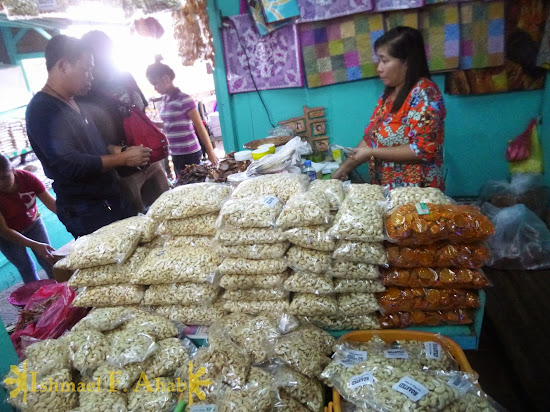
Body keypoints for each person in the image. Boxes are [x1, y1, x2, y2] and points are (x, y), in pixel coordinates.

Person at [25, 35, 152, 238]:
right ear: (63, 66)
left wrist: (115, 150)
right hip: (88, 211)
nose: (91, 77)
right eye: (85, 70)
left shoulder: (73, 101)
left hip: (111, 199)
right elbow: (70, 163)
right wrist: (122, 159)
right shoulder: (42, 110)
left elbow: (91, 146)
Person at [332, 26, 446, 190]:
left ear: (406, 62)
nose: (379, 68)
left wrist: (372, 152)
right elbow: (370, 138)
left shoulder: (425, 95)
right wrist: (343, 170)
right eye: (379, 61)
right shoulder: (388, 95)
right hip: (388, 190)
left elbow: (423, 150)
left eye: (385, 61)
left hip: (417, 192)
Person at [79, 31, 169, 215]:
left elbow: (141, 110)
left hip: (148, 159)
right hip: (122, 173)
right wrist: (119, 153)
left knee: (167, 210)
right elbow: (89, 140)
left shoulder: (125, 77)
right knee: (138, 220)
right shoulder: (85, 91)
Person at [146, 57, 219, 176]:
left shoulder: (184, 99)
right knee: (183, 185)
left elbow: (200, 126)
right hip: (175, 153)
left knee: (196, 184)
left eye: (155, 84)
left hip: (190, 153)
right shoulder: (165, 100)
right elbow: (171, 125)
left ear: (165, 79)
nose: (155, 88)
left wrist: (210, 151)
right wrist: (154, 124)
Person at [0, 155, 57, 283]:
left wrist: (72, 222)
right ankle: (39, 300)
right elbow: (4, 231)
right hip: (7, 237)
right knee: (26, 267)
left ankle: (62, 292)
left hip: (33, 223)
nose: (1, 184)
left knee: (48, 259)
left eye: (4, 177)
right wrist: (35, 245)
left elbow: (51, 204)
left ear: (13, 170)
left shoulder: (27, 178)